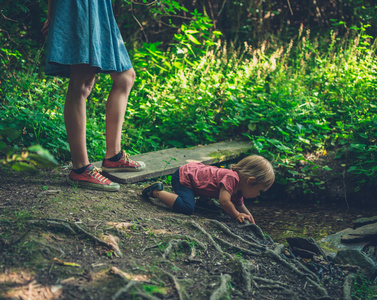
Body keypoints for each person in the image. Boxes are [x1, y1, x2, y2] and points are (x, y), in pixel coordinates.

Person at [41, 0, 145, 192]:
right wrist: (52, 13)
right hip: (78, 5)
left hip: (100, 6)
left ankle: (113, 156)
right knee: (82, 83)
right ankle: (80, 168)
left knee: (125, 77)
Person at [142, 155, 275, 223]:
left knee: (209, 197)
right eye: (259, 191)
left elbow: (240, 205)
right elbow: (224, 201)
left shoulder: (239, 188)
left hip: (196, 180)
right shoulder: (232, 178)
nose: (257, 194)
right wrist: (236, 215)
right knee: (187, 207)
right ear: (250, 181)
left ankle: (203, 201)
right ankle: (156, 191)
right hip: (185, 177)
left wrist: (249, 218)